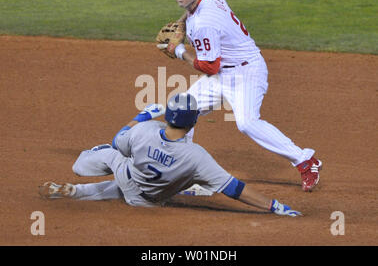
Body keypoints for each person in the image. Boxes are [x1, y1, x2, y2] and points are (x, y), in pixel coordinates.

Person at [161, 0, 322, 192]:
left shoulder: (206, 22)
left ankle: (306, 161)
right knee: (186, 108)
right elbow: (192, 16)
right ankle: (182, 171)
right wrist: (182, 23)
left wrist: (178, 51)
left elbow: (209, 66)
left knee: (247, 123)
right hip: (223, 73)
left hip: (246, 73)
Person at [39, 93, 301, 217]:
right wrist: (274, 206)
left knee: (111, 153)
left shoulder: (145, 130)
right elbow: (234, 188)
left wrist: (142, 115)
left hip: (128, 174)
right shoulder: (196, 156)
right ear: (192, 123)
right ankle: (78, 191)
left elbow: (118, 140)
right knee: (131, 184)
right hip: (148, 200)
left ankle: (78, 175)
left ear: (169, 115)